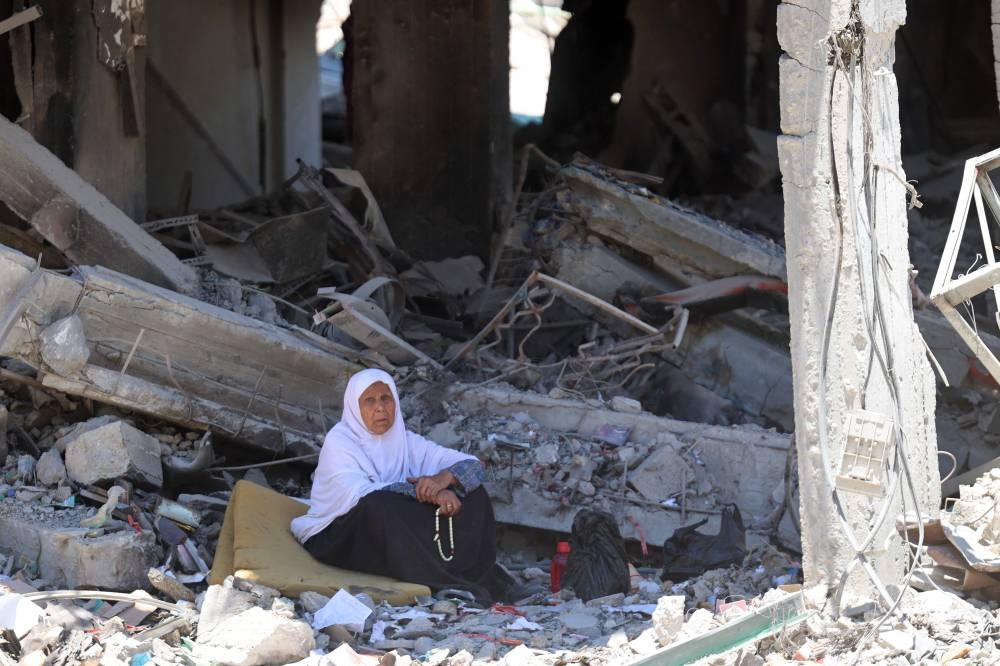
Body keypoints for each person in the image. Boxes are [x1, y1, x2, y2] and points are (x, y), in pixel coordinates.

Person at [291, 368, 513, 603]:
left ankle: (479, 575)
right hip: (340, 535)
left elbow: (474, 466)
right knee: (381, 506)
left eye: (386, 398)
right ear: (355, 407)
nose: (380, 407)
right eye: (369, 401)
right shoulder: (340, 441)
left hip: (390, 525)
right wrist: (432, 495)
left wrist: (445, 479)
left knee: (473, 491)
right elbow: (362, 493)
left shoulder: (404, 440)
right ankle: (442, 584)